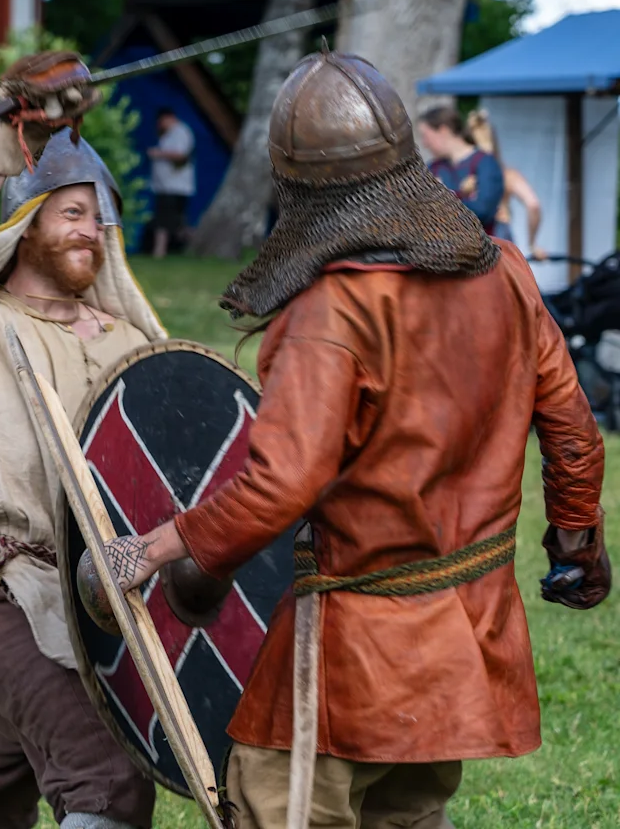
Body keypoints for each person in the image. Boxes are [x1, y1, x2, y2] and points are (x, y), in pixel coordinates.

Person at [93, 47, 610, 829]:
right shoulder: (505, 270)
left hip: (359, 648)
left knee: (275, 803)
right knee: (407, 817)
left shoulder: (332, 312)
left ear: (298, 186)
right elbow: (571, 426)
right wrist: (577, 542)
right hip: (470, 627)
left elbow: (282, 484)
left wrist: (156, 548)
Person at [0, 117, 166, 829]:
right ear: (25, 223)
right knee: (106, 784)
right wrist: (0, 160)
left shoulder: (133, 341)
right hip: (11, 589)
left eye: (99, 219)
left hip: (110, 596)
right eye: (71, 213)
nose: (91, 232)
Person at [466, 108, 547, 259]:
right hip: (500, 236)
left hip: (468, 241)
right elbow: (533, 204)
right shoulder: (507, 175)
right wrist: (532, 244)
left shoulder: (460, 178)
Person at [419, 105, 505, 235]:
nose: (424, 143)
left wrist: (442, 197)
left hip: (480, 244)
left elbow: (483, 212)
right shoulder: (434, 168)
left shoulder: (485, 163)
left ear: (443, 130)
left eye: (426, 136)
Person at [147, 107, 195, 258]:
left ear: (168, 118)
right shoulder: (169, 134)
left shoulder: (180, 132)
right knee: (174, 223)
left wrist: (158, 154)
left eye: (161, 122)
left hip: (175, 187)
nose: (159, 126)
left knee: (165, 222)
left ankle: (159, 251)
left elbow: (181, 155)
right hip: (165, 187)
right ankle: (194, 244)